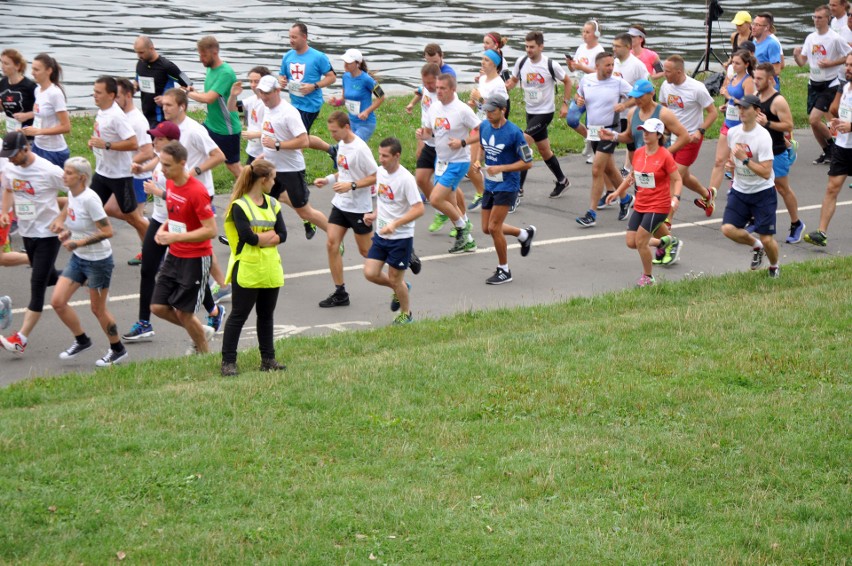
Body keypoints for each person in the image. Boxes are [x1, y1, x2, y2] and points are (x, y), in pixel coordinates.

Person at [599, 79, 689, 265]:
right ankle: (670, 242)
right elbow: (629, 137)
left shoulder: (664, 113)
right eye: (634, 97)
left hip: (659, 173)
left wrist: (662, 156)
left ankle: (660, 255)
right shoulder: (633, 113)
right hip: (640, 170)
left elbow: (684, 136)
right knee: (649, 218)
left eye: (640, 97)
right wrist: (614, 136)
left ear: (651, 94)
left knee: (653, 215)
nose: (636, 100)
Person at [49, 157, 128, 366]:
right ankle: (82, 340)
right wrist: (63, 227)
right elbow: (69, 207)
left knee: (98, 309)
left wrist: (79, 242)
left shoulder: (90, 199)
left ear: (82, 178)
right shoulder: (72, 193)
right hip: (79, 258)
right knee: (57, 302)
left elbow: (108, 230)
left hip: (98, 262)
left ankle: (117, 349)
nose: (63, 176)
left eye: (68, 173)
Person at [159, 88, 231, 306]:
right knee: (195, 241)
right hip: (180, 193)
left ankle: (219, 284)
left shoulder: (194, 130)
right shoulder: (170, 130)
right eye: (163, 105)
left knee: (200, 241)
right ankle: (218, 283)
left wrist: (195, 171)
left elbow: (219, 156)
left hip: (200, 192)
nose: (164, 109)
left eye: (169, 105)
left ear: (182, 106)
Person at [220, 159, 287, 376]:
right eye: (273, 178)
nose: (274, 182)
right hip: (248, 269)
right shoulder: (240, 206)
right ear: (263, 179)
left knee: (266, 315)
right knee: (239, 315)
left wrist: (261, 238)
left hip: (269, 268)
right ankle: (228, 362)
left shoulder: (273, 204)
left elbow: (283, 235)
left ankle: (268, 359)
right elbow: (247, 238)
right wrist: (270, 237)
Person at [150, 141, 217, 355]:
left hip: (196, 258)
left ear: (183, 163)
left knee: (185, 313)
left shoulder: (197, 192)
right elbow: (174, 215)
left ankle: (204, 353)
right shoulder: (170, 184)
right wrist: (163, 229)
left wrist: (176, 236)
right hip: (175, 254)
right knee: (158, 307)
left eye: (167, 165)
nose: (162, 169)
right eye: (161, 163)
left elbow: (210, 230)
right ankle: (202, 331)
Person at [0, 131, 64, 355]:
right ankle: (83, 274)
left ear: (26, 149)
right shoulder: (10, 168)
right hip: (27, 233)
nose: (9, 159)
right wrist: (5, 211)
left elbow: (77, 193)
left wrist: (60, 218)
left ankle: (21, 339)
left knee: (37, 285)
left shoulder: (49, 170)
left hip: (47, 235)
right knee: (48, 276)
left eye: (13, 154)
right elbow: (8, 189)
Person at [122, 120, 181, 342]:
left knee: (187, 275)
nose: (154, 141)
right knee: (148, 270)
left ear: (173, 142)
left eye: (159, 138)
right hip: (158, 220)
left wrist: (158, 191)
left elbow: (182, 199)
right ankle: (144, 322)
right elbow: (155, 161)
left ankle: (213, 311)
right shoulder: (161, 158)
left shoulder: (178, 167)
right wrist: (142, 168)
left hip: (176, 223)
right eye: (154, 137)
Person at [607, 118, 683, 286]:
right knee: (631, 242)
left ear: (658, 135)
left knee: (641, 242)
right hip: (641, 203)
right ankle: (665, 241)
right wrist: (618, 192)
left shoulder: (665, 156)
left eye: (649, 131)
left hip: (659, 205)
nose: (645, 134)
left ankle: (648, 277)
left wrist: (675, 198)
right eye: (644, 130)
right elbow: (633, 176)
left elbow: (677, 179)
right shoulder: (640, 152)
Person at [313, 111, 378, 307]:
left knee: (367, 252)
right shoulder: (342, 144)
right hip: (341, 203)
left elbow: (376, 176)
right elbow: (343, 172)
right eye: (330, 131)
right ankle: (340, 292)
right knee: (332, 244)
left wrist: (352, 186)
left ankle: (399, 254)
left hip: (359, 207)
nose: (332, 136)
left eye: (335, 131)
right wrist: (328, 179)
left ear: (346, 127)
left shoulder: (360, 149)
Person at [255, 75, 329, 241]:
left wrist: (277, 145)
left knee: (305, 211)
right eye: (261, 92)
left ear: (278, 91)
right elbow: (269, 134)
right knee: (258, 201)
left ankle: (333, 234)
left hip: (291, 170)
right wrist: (264, 155)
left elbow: (304, 141)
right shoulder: (265, 107)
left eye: (267, 93)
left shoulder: (288, 112)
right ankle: (249, 237)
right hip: (271, 168)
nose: (264, 96)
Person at [415, 73, 480, 254]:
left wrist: (463, 142)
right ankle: (467, 241)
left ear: (453, 89)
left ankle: (462, 227)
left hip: (458, 161)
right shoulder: (434, 108)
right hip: (440, 160)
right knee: (450, 200)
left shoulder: (462, 110)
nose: (439, 91)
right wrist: (423, 135)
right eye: (438, 88)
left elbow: (482, 131)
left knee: (436, 199)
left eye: (443, 88)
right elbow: (430, 133)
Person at [363, 137, 424, 324]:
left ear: (397, 156)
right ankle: (401, 288)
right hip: (381, 233)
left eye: (385, 156)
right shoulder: (381, 172)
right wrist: (374, 214)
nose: (381, 159)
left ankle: (407, 314)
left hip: (400, 237)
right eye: (380, 154)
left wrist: (395, 224)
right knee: (370, 273)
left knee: (395, 279)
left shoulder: (406, 179)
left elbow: (419, 208)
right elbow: (384, 200)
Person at [506, 30, 572, 198]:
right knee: (544, 151)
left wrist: (565, 104)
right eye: (526, 47)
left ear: (541, 47)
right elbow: (513, 81)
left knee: (523, 143)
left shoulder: (550, 64)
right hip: (530, 112)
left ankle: (518, 189)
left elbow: (567, 81)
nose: (529, 50)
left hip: (545, 113)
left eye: (532, 47)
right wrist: (500, 87)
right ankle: (562, 180)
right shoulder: (521, 62)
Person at [477, 95, 535, 285]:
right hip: (490, 183)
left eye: (492, 111)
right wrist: (478, 160)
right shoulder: (484, 126)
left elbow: (528, 163)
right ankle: (524, 234)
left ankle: (504, 270)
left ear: (503, 110)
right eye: (486, 110)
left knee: (494, 227)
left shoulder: (514, 133)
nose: (488, 114)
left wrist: (502, 168)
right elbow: (481, 145)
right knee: (487, 228)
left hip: (508, 184)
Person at [720, 95, 779, 277]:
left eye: (745, 107)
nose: (741, 111)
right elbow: (733, 158)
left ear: (757, 111)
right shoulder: (733, 133)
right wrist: (731, 165)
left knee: (767, 238)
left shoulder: (763, 137)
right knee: (727, 229)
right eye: (739, 107)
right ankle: (756, 246)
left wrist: (744, 160)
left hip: (763, 192)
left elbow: (766, 172)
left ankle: (774, 266)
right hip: (740, 190)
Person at [574, 52, 634, 228]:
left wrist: (625, 105)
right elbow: (580, 97)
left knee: (596, 169)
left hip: (610, 130)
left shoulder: (618, 83)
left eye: (612, 65)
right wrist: (579, 101)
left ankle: (591, 213)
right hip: (593, 131)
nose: (611, 69)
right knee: (608, 169)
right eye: (607, 65)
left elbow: (640, 96)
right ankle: (625, 198)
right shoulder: (587, 80)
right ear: (597, 65)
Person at [87, 76, 145, 248]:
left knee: (133, 218)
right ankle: (96, 245)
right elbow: (103, 138)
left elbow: (133, 143)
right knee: (91, 208)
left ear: (111, 95)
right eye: (94, 92)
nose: (94, 96)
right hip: (102, 172)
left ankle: (154, 246)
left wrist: (106, 144)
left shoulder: (117, 116)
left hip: (120, 176)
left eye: (98, 93)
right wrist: (95, 143)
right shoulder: (102, 112)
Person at [659, 55, 719, 217]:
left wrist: (700, 131)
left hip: (690, 139)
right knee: (683, 178)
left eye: (668, 71)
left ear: (679, 72)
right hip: (672, 138)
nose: (664, 74)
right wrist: (663, 132)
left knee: (674, 176)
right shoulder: (666, 86)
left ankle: (667, 220)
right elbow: (664, 110)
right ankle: (707, 195)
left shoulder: (697, 88)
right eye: (664, 70)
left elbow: (713, 113)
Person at [793, 5, 851, 165]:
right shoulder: (810, 38)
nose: (816, 20)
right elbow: (802, 63)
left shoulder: (835, 38)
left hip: (830, 83)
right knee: (814, 124)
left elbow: (849, 54)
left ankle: (835, 148)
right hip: (813, 83)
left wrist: (831, 63)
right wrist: (796, 56)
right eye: (814, 17)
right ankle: (827, 152)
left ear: (828, 19)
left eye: (820, 17)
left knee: (814, 119)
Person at [804, 53, 852, 247]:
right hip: (842, 147)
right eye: (847, 64)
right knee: (832, 188)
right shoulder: (846, 87)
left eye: (851, 65)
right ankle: (821, 232)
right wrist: (838, 122)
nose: (847, 68)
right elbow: (840, 111)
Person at [753, 63, 804, 243]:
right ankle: (756, 219)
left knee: (782, 188)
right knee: (757, 185)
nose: (756, 81)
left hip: (777, 151)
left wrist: (767, 123)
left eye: (759, 78)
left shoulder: (778, 101)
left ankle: (796, 223)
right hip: (759, 151)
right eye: (755, 77)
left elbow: (788, 125)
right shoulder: (756, 96)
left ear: (770, 79)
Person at [308, 49, 386, 163]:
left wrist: (367, 112)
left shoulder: (367, 80)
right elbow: (345, 99)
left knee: (353, 147)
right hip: (350, 123)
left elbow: (381, 97)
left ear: (358, 64)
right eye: (345, 61)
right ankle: (341, 167)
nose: (345, 65)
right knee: (346, 149)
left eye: (349, 62)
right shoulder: (346, 77)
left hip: (366, 124)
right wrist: (337, 103)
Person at [186, 36, 242, 179]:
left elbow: (210, 98)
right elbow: (209, 94)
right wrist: (194, 92)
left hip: (226, 129)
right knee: (194, 149)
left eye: (204, 55)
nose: (201, 59)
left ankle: (253, 189)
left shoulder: (226, 73)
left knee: (233, 166)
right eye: (200, 54)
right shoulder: (211, 69)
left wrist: (187, 94)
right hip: (210, 124)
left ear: (215, 53)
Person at [116, 77, 155, 264]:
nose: (114, 100)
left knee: (136, 218)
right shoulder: (121, 116)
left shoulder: (138, 121)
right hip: (124, 175)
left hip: (139, 177)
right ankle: (151, 246)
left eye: (117, 96)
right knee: (133, 217)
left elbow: (148, 151)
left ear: (128, 96)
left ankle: (151, 251)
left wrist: (129, 162)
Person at [708, 50, 755, 196]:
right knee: (719, 161)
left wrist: (729, 97)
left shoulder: (748, 81)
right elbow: (734, 103)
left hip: (741, 128)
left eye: (737, 63)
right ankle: (709, 195)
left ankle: (739, 188)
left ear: (746, 64)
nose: (733, 65)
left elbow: (748, 105)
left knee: (737, 163)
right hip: (728, 125)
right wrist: (727, 106)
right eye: (732, 62)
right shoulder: (733, 77)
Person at [466, 49, 508, 210]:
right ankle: (485, 194)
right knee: (472, 164)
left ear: (495, 64)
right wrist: (473, 102)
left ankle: (490, 194)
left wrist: (481, 98)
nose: (483, 62)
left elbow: (501, 106)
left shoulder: (499, 84)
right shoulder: (483, 79)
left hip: (490, 127)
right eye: (482, 59)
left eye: (487, 60)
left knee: (477, 164)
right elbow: (480, 104)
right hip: (478, 124)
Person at [278, 22, 336, 133]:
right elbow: (282, 74)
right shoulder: (287, 56)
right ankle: (330, 149)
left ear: (304, 37)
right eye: (290, 37)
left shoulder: (318, 57)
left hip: (311, 105)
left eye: (294, 37)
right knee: (297, 135)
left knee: (298, 135)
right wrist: (281, 80)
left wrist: (314, 86)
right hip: (294, 103)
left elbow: (332, 77)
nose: (291, 40)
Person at [20, 53, 70, 167]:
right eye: (32, 69)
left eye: (36, 69)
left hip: (54, 152)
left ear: (49, 71)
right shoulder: (38, 90)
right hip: (38, 146)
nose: (32, 73)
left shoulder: (55, 93)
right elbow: (40, 115)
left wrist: (38, 132)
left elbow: (66, 127)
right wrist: (26, 129)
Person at [565, 21, 605, 164]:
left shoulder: (599, 51)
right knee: (571, 119)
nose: (584, 35)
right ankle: (588, 139)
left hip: (595, 91)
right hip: (581, 91)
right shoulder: (581, 48)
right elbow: (573, 70)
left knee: (592, 123)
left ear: (596, 34)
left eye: (588, 32)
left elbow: (601, 72)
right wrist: (570, 65)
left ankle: (595, 151)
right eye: (583, 31)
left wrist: (583, 67)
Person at [133, 35, 190, 128]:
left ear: (151, 48)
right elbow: (137, 81)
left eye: (141, 52)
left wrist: (166, 99)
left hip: (162, 118)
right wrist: (133, 88)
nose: (139, 56)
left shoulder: (167, 66)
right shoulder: (140, 64)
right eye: (137, 53)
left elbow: (188, 85)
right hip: (145, 117)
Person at [227, 66, 271, 165]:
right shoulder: (251, 100)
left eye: (256, 81)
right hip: (253, 150)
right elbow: (232, 108)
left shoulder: (269, 104)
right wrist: (233, 95)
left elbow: (275, 131)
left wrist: (255, 135)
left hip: (266, 152)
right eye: (250, 81)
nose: (252, 85)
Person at [0, 49, 37, 135]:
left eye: (6, 63)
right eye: (1, 62)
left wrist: (27, 115)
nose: (2, 66)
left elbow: (44, 110)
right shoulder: (2, 83)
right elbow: (3, 108)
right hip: (11, 132)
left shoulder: (30, 86)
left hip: (29, 134)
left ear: (17, 66)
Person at [752, 13, 783, 88]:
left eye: (757, 25)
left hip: (768, 87)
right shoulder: (754, 42)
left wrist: (760, 75)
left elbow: (776, 70)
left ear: (766, 27)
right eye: (753, 24)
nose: (753, 27)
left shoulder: (772, 44)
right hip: (755, 84)